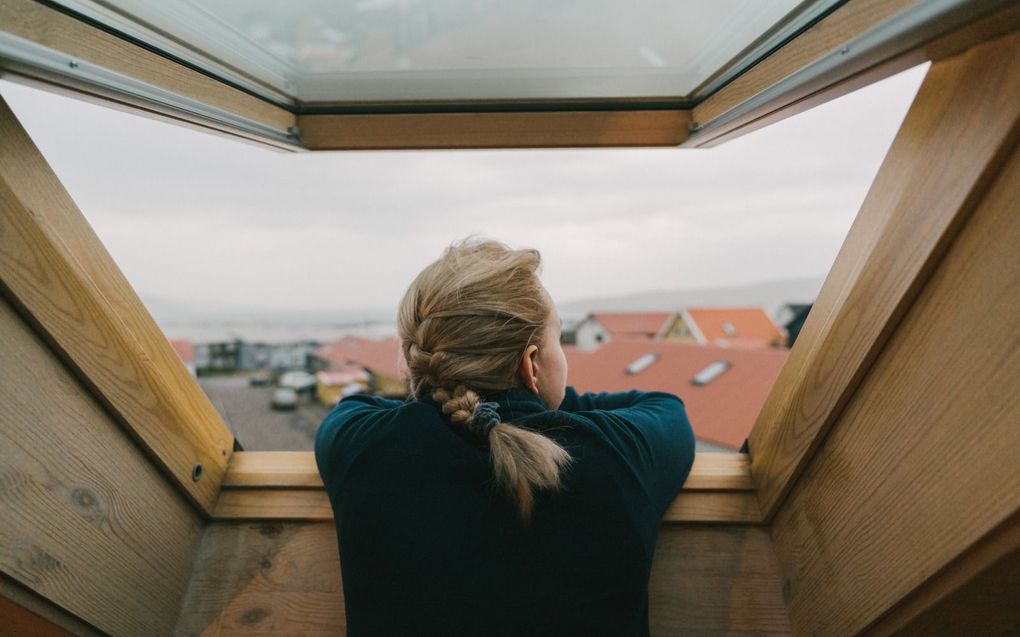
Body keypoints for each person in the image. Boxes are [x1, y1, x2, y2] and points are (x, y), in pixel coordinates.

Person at [314, 238, 696, 636]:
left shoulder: (361, 445)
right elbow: (663, 407)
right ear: (531, 364)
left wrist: (451, 396)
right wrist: (546, 405)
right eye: (558, 340)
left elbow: (364, 408)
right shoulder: (619, 452)